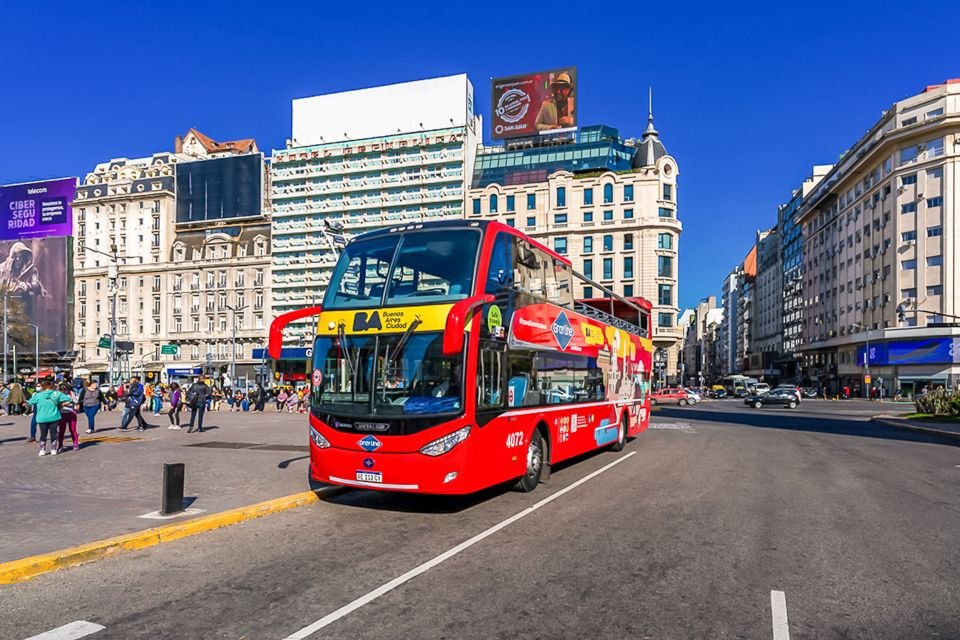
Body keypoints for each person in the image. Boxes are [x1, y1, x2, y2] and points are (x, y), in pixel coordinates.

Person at [27, 380, 72, 456]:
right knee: (53, 433)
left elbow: (30, 402)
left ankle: (42, 449)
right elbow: (69, 398)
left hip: (42, 418)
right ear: (52, 386)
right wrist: (62, 403)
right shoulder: (56, 394)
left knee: (43, 434)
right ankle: (53, 449)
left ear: (43, 387)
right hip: (54, 417)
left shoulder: (38, 395)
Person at [56, 382, 80, 452]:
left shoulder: (71, 393)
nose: (63, 391)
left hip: (71, 413)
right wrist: (61, 404)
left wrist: (76, 406)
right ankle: (60, 445)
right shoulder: (57, 394)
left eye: (65, 389)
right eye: (61, 389)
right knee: (61, 430)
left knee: (73, 429)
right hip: (62, 413)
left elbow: (76, 402)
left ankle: (75, 444)